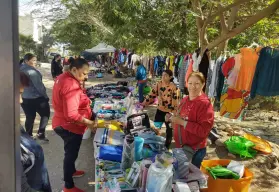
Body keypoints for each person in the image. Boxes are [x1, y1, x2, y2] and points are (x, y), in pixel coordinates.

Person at [52, 58, 96, 192]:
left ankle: (71, 171)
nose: (86, 76)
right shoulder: (70, 84)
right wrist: (90, 123)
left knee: (71, 152)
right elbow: (71, 115)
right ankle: (68, 186)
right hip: (69, 126)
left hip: (64, 123)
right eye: (84, 73)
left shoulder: (64, 77)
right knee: (70, 155)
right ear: (74, 70)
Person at [169, 72, 214, 168]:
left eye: (197, 83)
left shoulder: (205, 105)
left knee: (190, 178)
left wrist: (181, 122)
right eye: (190, 83)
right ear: (186, 84)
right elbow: (181, 117)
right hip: (181, 147)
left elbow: (203, 131)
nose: (193, 87)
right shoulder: (185, 99)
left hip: (194, 151)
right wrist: (172, 119)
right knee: (180, 175)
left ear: (203, 84)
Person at [20, 72, 52, 192]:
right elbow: (22, 188)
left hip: (39, 184)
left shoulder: (12, 123)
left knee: (30, 118)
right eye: (17, 94)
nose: (20, 100)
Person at [142, 70, 180, 149]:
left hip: (169, 113)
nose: (163, 77)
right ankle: (155, 144)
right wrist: (144, 103)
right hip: (160, 110)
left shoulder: (174, 88)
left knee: (169, 130)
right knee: (156, 128)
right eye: (162, 75)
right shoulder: (159, 84)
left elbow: (175, 101)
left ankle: (167, 146)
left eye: (165, 75)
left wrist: (173, 113)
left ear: (170, 77)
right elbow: (152, 94)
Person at [20, 53, 50, 142]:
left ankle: (28, 136)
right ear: (26, 61)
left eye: (35, 60)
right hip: (36, 98)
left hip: (24, 98)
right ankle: (41, 134)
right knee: (45, 114)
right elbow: (39, 87)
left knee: (30, 117)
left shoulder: (19, 69)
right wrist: (45, 96)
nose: (35, 62)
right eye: (33, 60)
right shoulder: (31, 71)